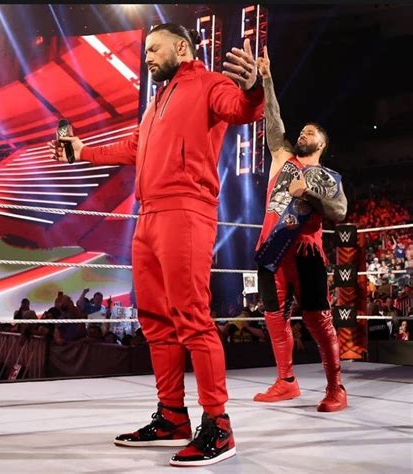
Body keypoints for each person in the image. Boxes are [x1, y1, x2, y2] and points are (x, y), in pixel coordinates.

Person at [48, 23, 264, 467]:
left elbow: (242, 108)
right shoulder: (157, 101)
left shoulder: (209, 84)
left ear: (181, 47)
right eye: (145, 50)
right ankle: (172, 417)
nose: (146, 56)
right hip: (147, 217)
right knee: (155, 321)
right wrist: (83, 150)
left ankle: (219, 427)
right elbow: (136, 145)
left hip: (186, 210)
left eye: (153, 48)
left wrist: (255, 88)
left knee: (192, 318)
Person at [252, 46, 348, 412]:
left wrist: (307, 191)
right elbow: (272, 122)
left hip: (306, 251)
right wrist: (267, 78)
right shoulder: (282, 156)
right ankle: (286, 381)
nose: (303, 134)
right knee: (274, 317)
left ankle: (336, 387)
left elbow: (339, 211)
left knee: (316, 319)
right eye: (303, 131)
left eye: (310, 132)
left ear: (321, 144)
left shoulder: (327, 176)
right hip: (271, 250)